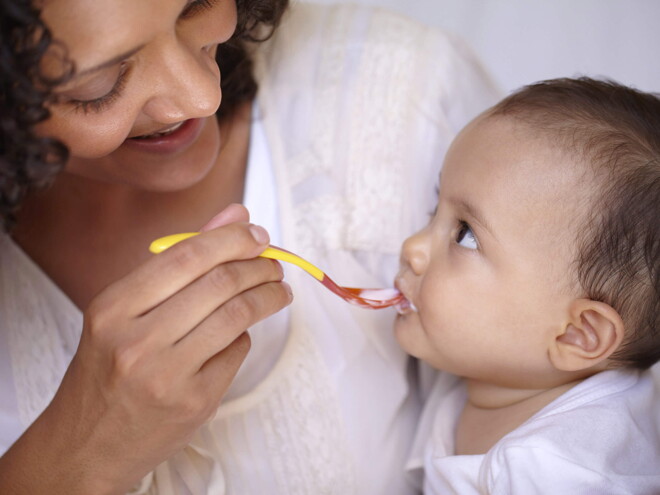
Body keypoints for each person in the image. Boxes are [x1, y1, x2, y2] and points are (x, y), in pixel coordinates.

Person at [0, 0, 500, 493]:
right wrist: (74, 459)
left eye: (196, 8)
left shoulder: (406, 89)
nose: (201, 96)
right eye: (99, 85)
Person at [395, 77, 660, 494]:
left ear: (579, 333)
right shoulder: (479, 376)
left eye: (465, 234)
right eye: (434, 207)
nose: (412, 247)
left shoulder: (566, 472)